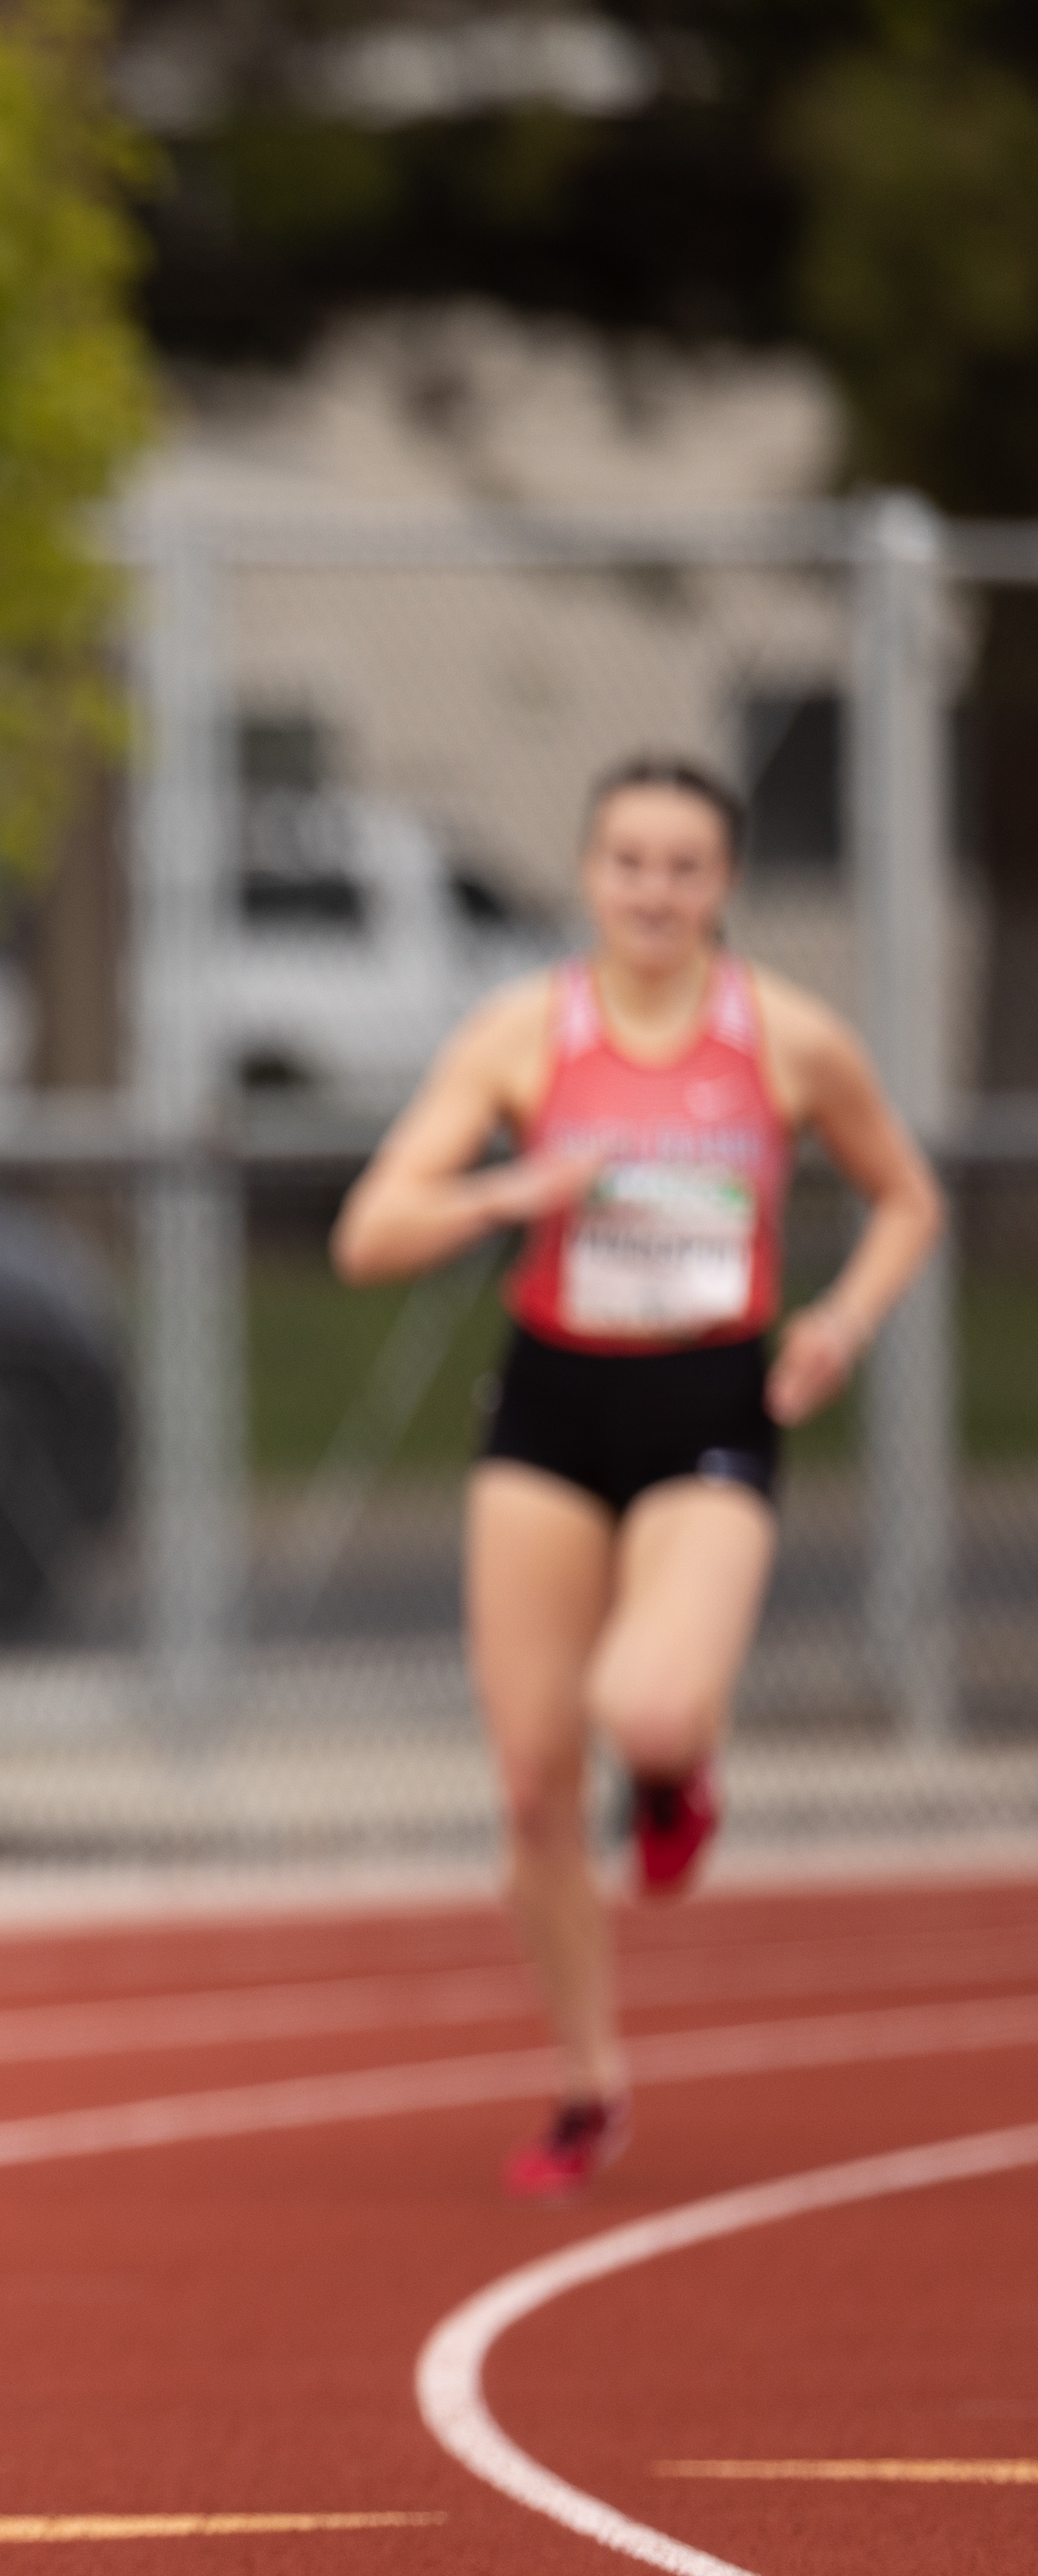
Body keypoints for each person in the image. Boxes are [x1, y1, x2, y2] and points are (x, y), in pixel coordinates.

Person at [333, 753, 940, 2199]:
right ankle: (589, 2083)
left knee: (645, 1703)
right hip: (552, 1408)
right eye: (628, 864)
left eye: (684, 867)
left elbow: (907, 1195)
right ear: (592, 876)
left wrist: (841, 1324)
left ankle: (676, 1771)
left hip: (714, 1402)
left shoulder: (786, 1040)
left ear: (723, 884)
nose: (654, 892)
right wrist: (507, 1192)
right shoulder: (525, 1035)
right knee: (537, 1783)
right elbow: (370, 1234)